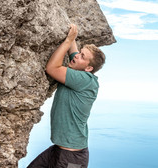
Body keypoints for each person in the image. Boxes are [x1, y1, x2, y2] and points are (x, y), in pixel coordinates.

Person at [27, 24, 106, 168]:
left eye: (82, 56)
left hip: (73, 157)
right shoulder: (79, 69)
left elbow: (52, 68)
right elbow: (74, 53)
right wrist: (71, 29)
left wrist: (68, 41)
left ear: (89, 69)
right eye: (80, 52)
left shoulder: (85, 80)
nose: (77, 56)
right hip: (59, 149)